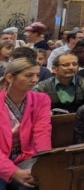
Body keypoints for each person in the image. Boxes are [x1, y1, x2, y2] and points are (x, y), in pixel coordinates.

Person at [0, 58, 50, 189]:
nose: (35, 80)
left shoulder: (41, 99)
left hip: (25, 156)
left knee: (32, 181)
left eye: (37, 75)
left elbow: (42, 132)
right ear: (10, 78)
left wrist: (44, 162)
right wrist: (14, 172)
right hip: (1, 157)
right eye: (29, 75)